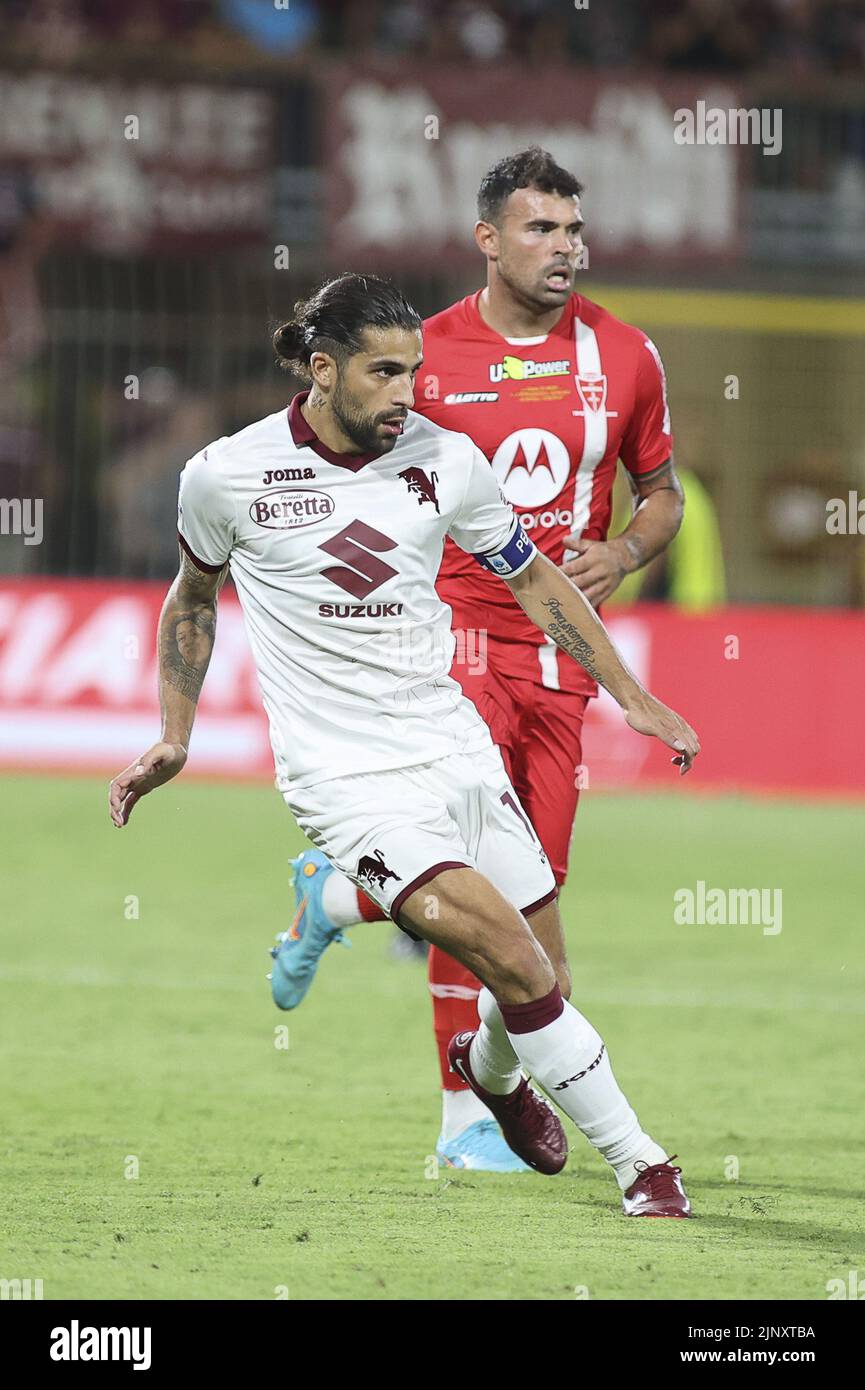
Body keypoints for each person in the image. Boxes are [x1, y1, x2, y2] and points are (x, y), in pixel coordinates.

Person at [108, 272, 699, 1217]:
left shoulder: (447, 460)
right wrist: (173, 735)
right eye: (383, 374)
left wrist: (629, 694)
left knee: (542, 976)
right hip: (344, 777)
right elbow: (192, 596)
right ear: (322, 368)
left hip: (451, 748)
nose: (404, 394)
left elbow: (534, 578)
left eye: (414, 372)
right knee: (507, 952)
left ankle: (489, 1070)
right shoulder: (228, 474)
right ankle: (644, 1166)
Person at [271, 148, 687, 1172]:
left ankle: (334, 897)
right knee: (469, 880)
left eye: (574, 230)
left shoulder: (625, 356)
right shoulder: (425, 356)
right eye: (541, 229)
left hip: (554, 650)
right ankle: (462, 1114)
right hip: (444, 639)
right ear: (488, 240)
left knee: (538, 926)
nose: (564, 248)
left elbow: (663, 491)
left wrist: (627, 548)